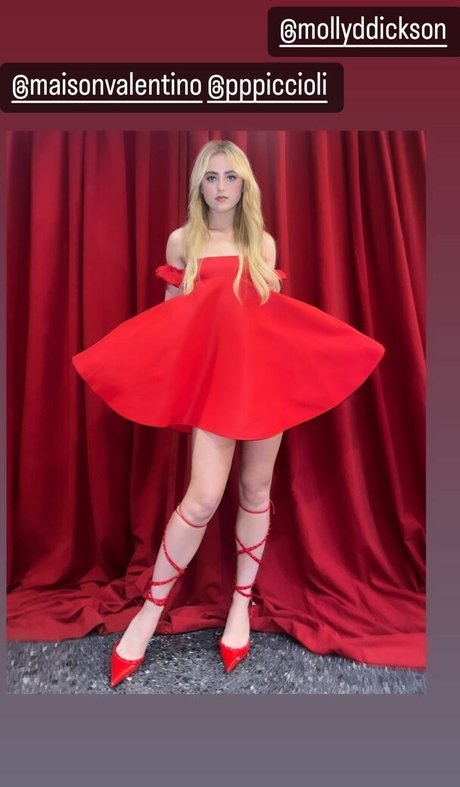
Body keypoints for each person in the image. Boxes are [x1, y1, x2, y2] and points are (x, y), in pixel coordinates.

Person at [72, 139, 385, 688]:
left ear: (245, 185)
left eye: (231, 177)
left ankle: (241, 606)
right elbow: (173, 323)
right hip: (217, 387)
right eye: (212, 177)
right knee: (201, 497)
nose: (221, 187)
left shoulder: (261, 242)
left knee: (256, 492)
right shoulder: (183, 241)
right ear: (199, 184)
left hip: (265, 381)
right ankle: (148, 614)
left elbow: (269, 317)